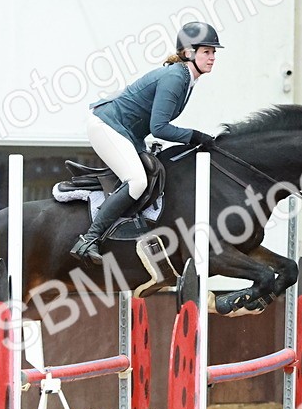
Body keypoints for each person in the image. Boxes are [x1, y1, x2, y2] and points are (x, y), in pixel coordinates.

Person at [69, 21, 223, 265]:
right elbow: (159, 128)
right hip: (107, 125)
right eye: (207, 51)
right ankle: (88, 240)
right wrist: (197, 136)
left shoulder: (186, 79)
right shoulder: (176, 77)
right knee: (138, 181)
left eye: (214, 52)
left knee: (156, 174)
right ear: (188, 53)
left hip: (128, 132)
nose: (212, 57)